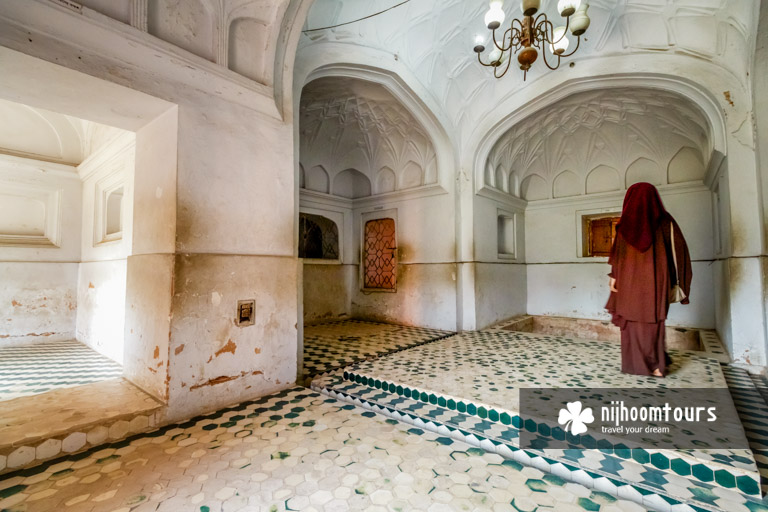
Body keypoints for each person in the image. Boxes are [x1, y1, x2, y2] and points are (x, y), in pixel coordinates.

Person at [605, 182, 692, 377]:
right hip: (656, 284)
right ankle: (656, 365)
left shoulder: (624, 225)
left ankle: (637, 365)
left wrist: (613, 278)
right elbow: (679, 253)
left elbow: (617, 258)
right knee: (653, 322)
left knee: (632, 324)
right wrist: (681, 281)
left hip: (628, 284)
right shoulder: (665, 222)